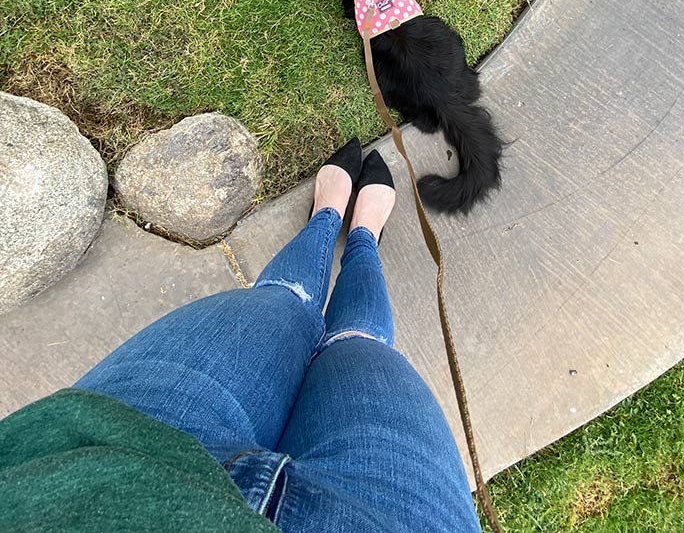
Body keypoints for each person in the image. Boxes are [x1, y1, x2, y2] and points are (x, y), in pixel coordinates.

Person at [0, 138, 482, 533]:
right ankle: (361, 237)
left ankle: (328, 218)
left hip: (125, 462)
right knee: (358, 344)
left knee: (282, 302)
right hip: (396, 518)